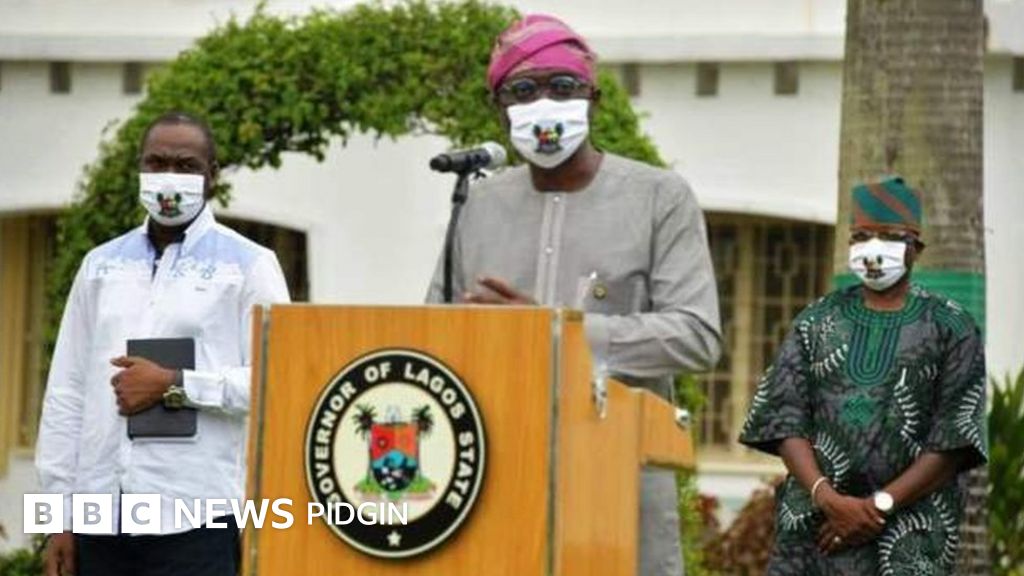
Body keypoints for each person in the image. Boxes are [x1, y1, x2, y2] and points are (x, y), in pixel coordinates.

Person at [426, 14, 722, 576]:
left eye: (562, 87)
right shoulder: (478, 205)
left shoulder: (659, 198)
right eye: (522, 90)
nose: (543, 103)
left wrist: (556, 333)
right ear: (498, 108)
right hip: (492, 477)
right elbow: (431, 334)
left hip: (615, 478)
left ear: (594, 100)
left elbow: (696, 336)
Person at [36, 111, 291, 576]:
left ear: (212, 175)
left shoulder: (250, 267)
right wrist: (56, 518)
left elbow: (278, 384)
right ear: (140, 168)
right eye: (156, 162)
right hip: (100, 517)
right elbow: (66, 394)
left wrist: (175, 384)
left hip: (195, 518)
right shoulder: (100, 266)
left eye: (186, 165)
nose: (169, 176)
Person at [739, 176, 988, 575]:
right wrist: (828, 499)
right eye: (861, 236)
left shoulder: (952, 327)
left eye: (888, 236)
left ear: (916, 248)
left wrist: (878, 506)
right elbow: (783, 420)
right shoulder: (815, 321)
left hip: (910, 530)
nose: (873, 248)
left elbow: (953, 440)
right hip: (817, 526)